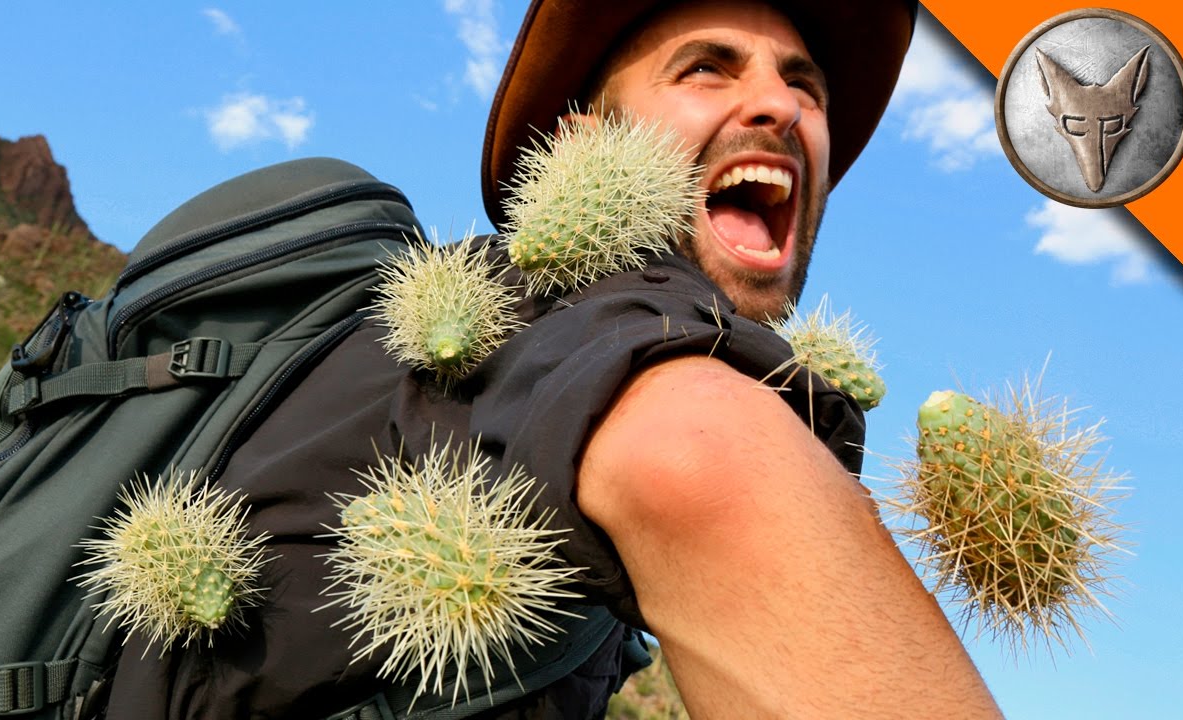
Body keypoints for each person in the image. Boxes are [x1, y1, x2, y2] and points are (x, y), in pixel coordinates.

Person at [103, 1, 1006, 717]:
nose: (783, 105)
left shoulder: (467, 348)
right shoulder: (591, 318)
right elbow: (695, 456)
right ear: (579, 144)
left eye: (804, 85)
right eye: (707, 68)